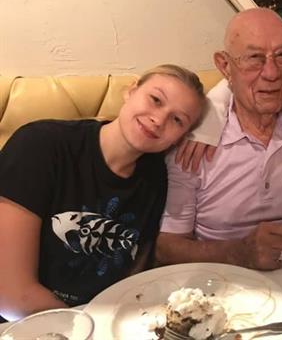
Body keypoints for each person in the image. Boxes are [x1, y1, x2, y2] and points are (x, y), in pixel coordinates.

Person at [0, 65, 205, 321]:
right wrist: (87, 329)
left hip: (107, 321)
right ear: (131, 91)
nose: (159, 120)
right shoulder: (40, 145)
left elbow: (134, 278)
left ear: (182, 137)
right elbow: (11, 295)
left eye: (177, 120)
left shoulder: (157, 177)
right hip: (25, 324)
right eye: (155, 100)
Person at [155, 9, 282, 271]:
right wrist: (238, 253)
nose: (272, 73)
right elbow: (165, 247)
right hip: (222, 284)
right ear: (225, 66)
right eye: (254, 58)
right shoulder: (195, 139)